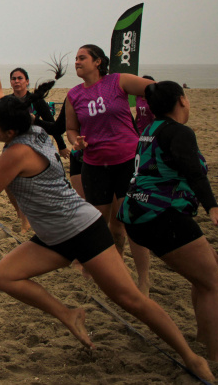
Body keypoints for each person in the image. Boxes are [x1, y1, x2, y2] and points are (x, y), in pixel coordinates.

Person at [0, 19, 213, 381]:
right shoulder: (32, 126)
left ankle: (192, 357)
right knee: (3, 275)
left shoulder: (16, 152)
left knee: (131, 301)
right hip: (54, 237)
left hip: (82, 229)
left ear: (8, 131)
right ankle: (69, 313)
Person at [119, 81, 218, 363]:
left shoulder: (150, 129)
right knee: (212, 284)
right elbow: (195, 173)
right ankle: (217, 360)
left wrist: (208, 202)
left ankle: (202, 336)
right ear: (182, 101)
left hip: (137, 213)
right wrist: (211, 208)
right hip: (159, 216)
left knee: (208, 266)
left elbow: (165, 171)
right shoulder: (180, 132)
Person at [64, 45, 154, 294]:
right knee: (97, 222)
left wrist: (174, 102)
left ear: (98, 62)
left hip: (126, 161)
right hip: (94, 165)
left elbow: (152, 88)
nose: (77, 62)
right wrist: (75, 141)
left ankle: (144, 280)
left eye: (82, 58)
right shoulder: (73, 95)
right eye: (76, 58)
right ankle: (101, 266)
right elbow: (71, 128)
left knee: (131, 221)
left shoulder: (118, 81)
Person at [9, 66, 70, 157]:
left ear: (27, 81)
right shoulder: (8, 101)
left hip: (35, 144)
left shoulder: (36, 100)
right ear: (11, 82)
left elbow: (51, 123)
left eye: (20, 78)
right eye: (13, 79)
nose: (16, 81)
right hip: (14, 144)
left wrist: (61, 146)